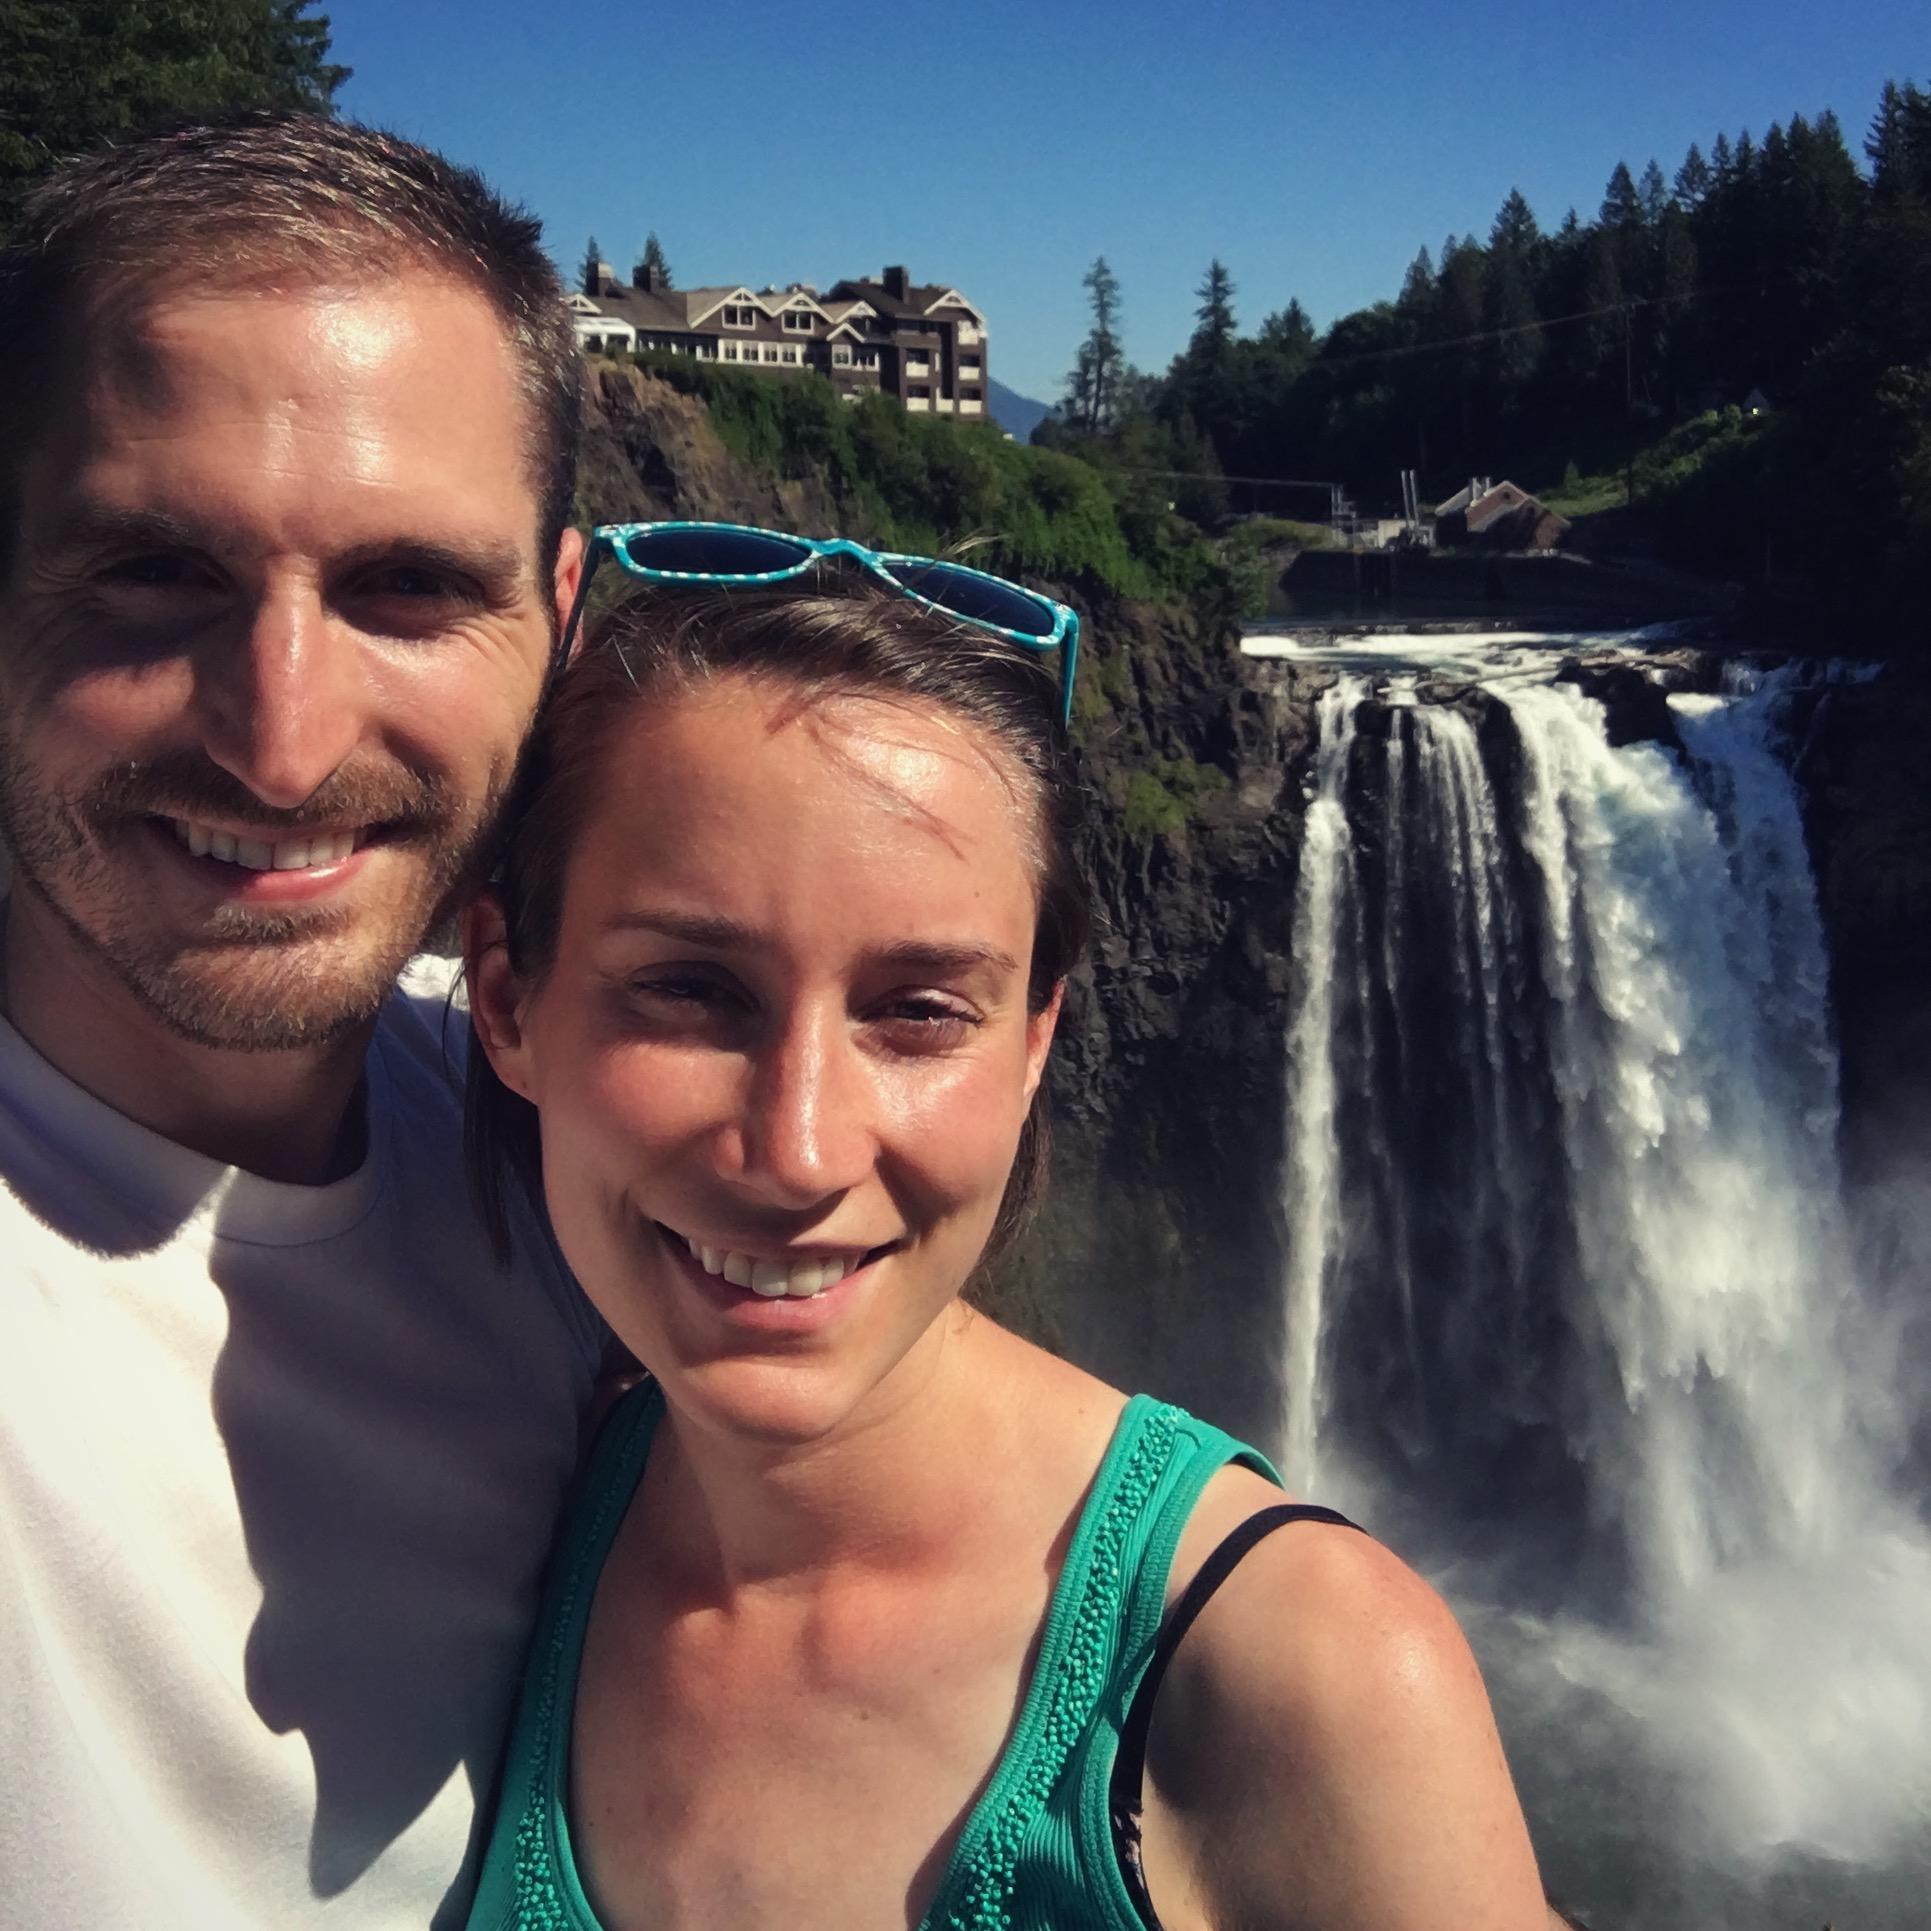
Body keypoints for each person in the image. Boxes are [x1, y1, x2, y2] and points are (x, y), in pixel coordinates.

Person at [459, 533, 1554, 1930]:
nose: (798, 1149)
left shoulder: (1306, 1668)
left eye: (919, 1011)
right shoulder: (514, 1515)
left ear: (1038, 1039)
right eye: (688, 990)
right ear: (503, 998)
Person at [0, 113, 604, 1926]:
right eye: (150, 574)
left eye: (408, 588)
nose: (281, 741)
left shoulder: (580, 1149)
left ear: (558, 621)